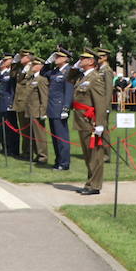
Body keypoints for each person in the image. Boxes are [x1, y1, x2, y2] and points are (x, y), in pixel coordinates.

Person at [71, 49, 110, 195]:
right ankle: (89, 182)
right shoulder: (83, 77)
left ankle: (95, 185)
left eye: (83, 58)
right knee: (88, 155)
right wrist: (75, 68)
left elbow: (99, 102)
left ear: (91, 61)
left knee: (95, 155)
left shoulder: (95, 78)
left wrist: (100, 123)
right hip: (82, 121)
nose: (80, 60)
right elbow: (69, 79)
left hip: (91, 121)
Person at [43, 49, 74, 171]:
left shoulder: (69, 71)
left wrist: (66, 108)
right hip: (52, 107)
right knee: (55, 138)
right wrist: (47, 62)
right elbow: (43, 73)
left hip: (60, 107)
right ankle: (58, 161)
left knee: (62, 137)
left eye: (59, 56)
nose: (56, 58)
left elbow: (69, 91)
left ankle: (64, 163)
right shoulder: (55, 71)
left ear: (66, 58)